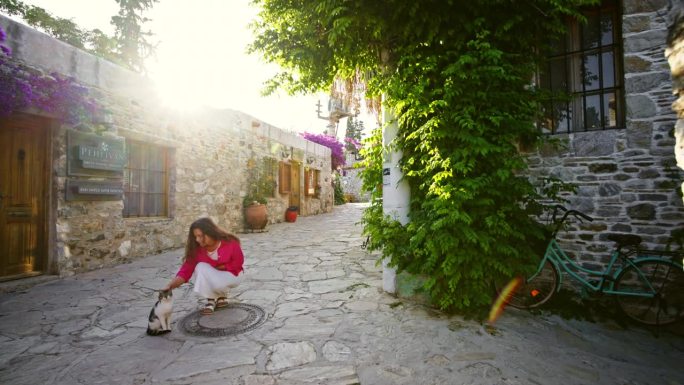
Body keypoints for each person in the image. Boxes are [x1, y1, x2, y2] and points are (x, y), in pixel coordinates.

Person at [162, 217, 245, 315]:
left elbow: (238, 262)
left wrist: (222, 267)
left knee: (215, 279)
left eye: (200, 236)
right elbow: (185, 271)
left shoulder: (230, 242)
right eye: (195, 236)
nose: (197, 239)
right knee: (200, 267)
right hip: (216, 276)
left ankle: (222, 295)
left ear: (211, 232)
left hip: (233, 275)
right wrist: (170, 285)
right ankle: (211, 300)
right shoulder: (197, 250)